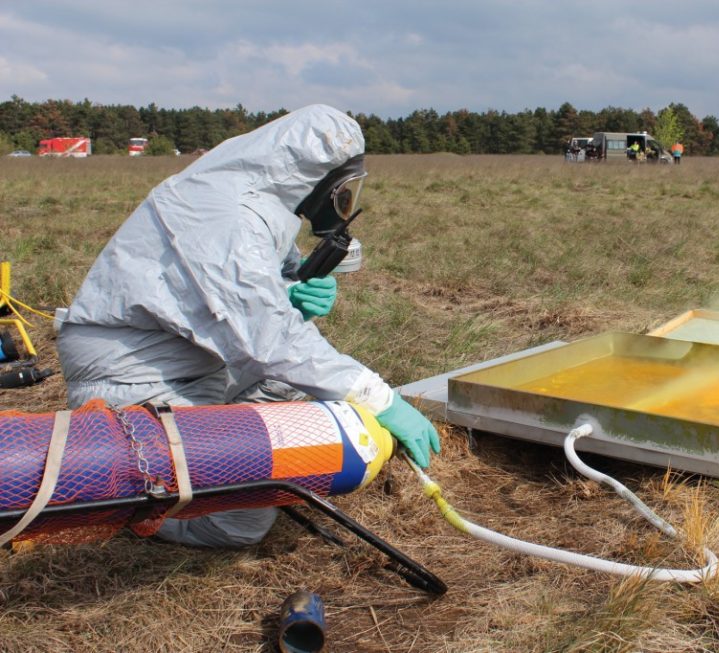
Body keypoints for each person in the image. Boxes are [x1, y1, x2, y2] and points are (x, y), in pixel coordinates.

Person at [56, 104, 441, 548]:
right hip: (134, 378)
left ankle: (217, 461)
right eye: (342, 191)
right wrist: (384, 399)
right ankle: (133, 509)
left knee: (306, 398)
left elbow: (253, 295)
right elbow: (270, 339)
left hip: (201, 364)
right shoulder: (225, 214)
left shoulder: (263, 204)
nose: (343, 202)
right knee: (242, 520)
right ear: (316, 178)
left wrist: (288, 294)